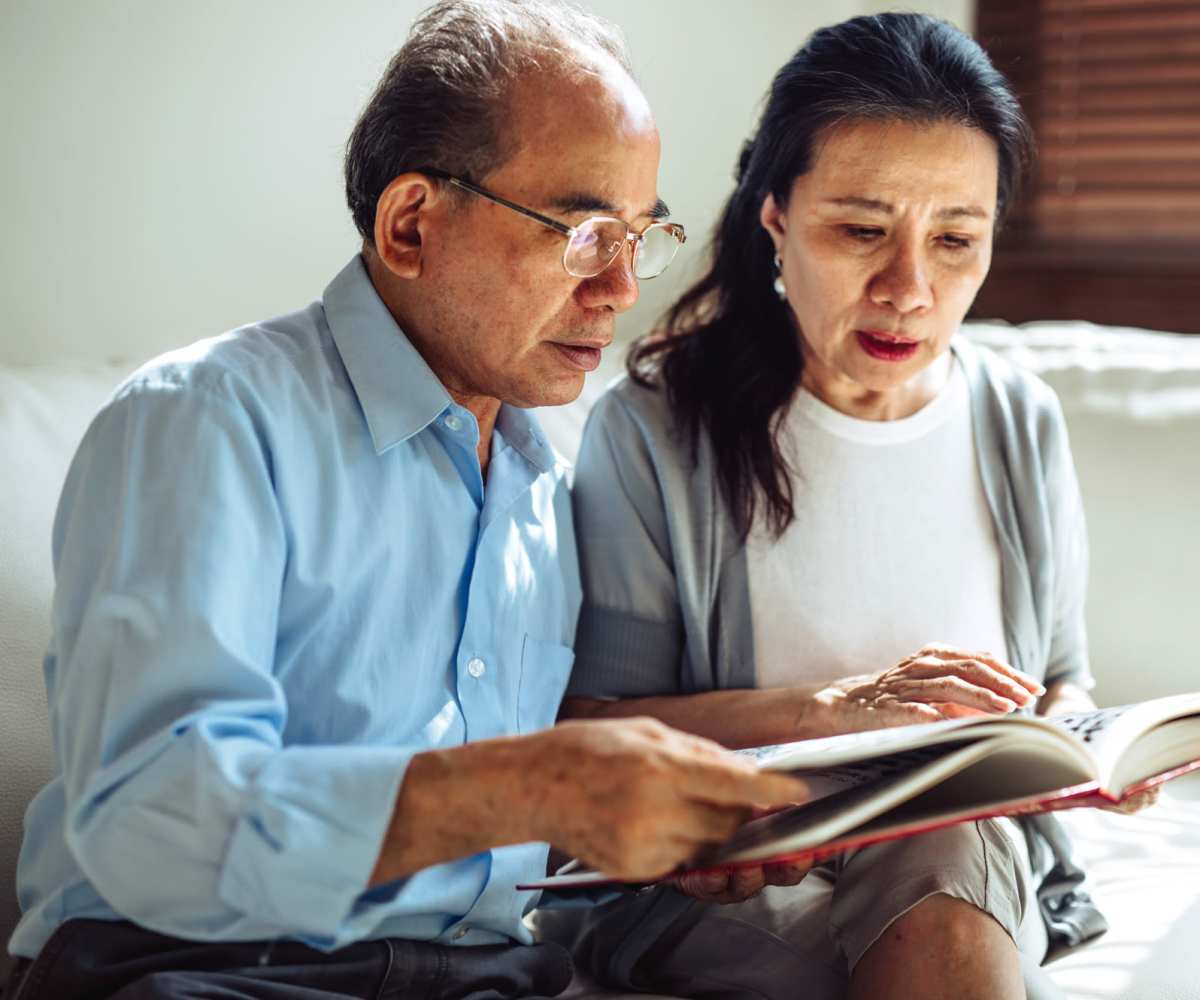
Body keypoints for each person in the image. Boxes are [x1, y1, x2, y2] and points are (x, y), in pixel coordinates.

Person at [1, 4, 811, 999]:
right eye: (585, 233)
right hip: (198, 972)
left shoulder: (537, 489)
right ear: (412, 224)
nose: (619, 290)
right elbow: (150, 824)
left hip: (483, 976)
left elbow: (494, 862)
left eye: (638, 238)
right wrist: (528, 786)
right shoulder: (207, 421)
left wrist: (655, 844)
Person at [535, 13, 1153, 1000]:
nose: (910, 288)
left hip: (964, 859)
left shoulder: (1019, 420)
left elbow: (1061, 681)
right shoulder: (655, 429)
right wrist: (819, 715)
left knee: (951, 856)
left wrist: (1089, 749)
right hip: (731, 870)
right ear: (776, 216)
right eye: (862, 231)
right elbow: (594, 723)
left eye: (956, 239)